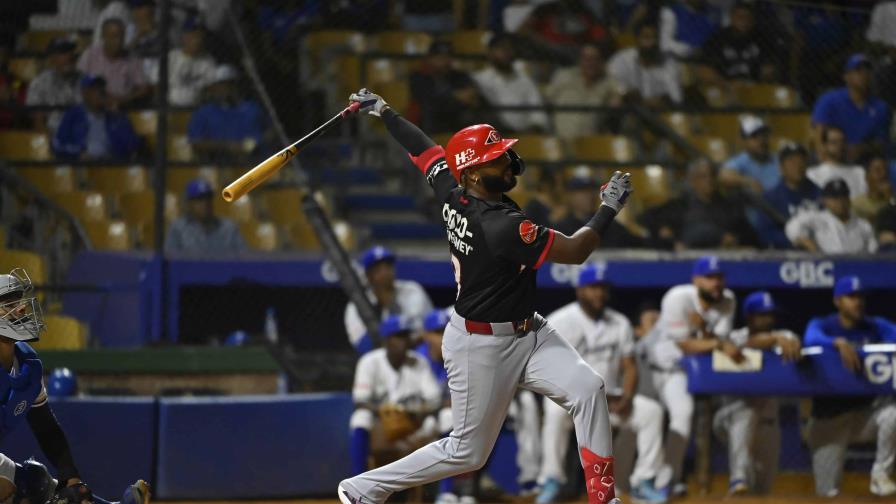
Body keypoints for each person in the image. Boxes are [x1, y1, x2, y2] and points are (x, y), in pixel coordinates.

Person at [338, 88, 632, 504]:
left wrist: (385, 112)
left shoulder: (454, 190)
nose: (506, 160)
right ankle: (362, 489)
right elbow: (577, 250)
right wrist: (607, 209)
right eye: (494, 158)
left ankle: (605, 499)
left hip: (529, 331)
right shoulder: (501, 226)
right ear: (474, 174)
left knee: (587, 387)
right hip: (481, 344)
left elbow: (425, 151)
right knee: (467, 452)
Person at [0, 269, 151, 504]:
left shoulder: (28, 365)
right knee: (12, 489)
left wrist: (72, 480)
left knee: (36, 482)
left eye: (18, 302)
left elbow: (47, 429)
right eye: (8, 303)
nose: (20, 309)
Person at [537, 264, 667, 504]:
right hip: (570, 401)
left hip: (611, 400)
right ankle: (552, 479)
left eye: (603, 288)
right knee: (553, 414)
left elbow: (630, 366)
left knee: (651, 412)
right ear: (580, 290)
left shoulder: (619, 323)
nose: (598, 293)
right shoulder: (560, 321)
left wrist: (627, 396)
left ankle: (643, 481)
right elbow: (548, 369)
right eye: (592, 288)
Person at [646, 255, 737, 498]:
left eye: (719, 278)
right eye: (709, 278)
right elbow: (687, 345)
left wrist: (706, 330)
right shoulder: (679, 297)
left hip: (682, 372)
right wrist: (714, 340)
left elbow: (716, 340)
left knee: (682, 416)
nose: (715, 283)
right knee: (638, 427)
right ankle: (629, 482)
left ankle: (667, 481)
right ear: (696, 280)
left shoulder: (728, 300)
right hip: (653, 368)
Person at [804, 276, 896, 497]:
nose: (858, 302)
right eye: (851, 297)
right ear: (837, 301)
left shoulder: (875, 326)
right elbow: (810, 337)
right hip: (829, 421)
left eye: (861, 297)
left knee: (893, 413)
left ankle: (880, 474)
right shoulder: (824, 324)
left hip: (863, 417)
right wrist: (836, 342)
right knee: (827, 494)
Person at [712, 291, 801, 496]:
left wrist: (786, 341)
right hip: (730, 418)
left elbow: (794, 342)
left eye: (770, 314)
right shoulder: (734, 336)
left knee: (761, 492)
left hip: (769, 423)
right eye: (761, 314)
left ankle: (739, 487)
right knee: (746, 412)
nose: (768, 319)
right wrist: (772, 340)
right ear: (749, 317)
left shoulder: (784, 335)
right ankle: (738, 478)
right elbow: (744, 345)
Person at [349, 315, 443, 477]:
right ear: (387, 340)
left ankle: (446, 493)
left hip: (414, 424)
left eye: (406, 336)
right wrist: (386, 412)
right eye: (399, 336)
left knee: (446, 418)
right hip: (381, 425)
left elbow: (435, 401)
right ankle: (359, 482)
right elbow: (360, 402)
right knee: (360, 418)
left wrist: (415, 414)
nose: (404, 341)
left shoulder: (418, 362)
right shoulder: (369, 362)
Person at [343, 246, 433, 354]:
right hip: (379, 360)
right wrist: (382, 308)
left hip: (417, 353)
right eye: (378, 270)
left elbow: (428, 330)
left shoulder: (412, 291)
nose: (385, 273)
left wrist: (391, 305)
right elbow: (362, 347)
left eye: (388, 266)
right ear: (368, 276)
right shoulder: (356, 306)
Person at [811, 53, 890, 163]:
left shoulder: (881, 107)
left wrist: (861, 148)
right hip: (831, 156)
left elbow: (881, 143)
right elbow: (818, 135)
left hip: (864, 160)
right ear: (846, 77)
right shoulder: (829, 100)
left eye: (867, 71)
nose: (864, 75)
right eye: (858, 71)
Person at [187, 65, 268, 163]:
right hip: (216, 162)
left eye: (229, 84)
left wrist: (249, 146)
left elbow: (267, 133)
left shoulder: (251, 108)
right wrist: (227, 146)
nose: (224, 89)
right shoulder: (204, 112)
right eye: (220, 85)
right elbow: (195, 142)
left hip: (252, 160)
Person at [471, 34, 549, 133]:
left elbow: (538, 114)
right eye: (501, 48)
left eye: (509, 49)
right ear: (490, 52)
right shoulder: (479, 80)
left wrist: (534, 129)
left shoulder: (525, 81)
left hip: (524, 138)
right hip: (490, 138)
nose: (506, 52)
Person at [409, 41, 490, 134]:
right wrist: (454, 96)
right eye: (440, 58)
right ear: (430, 59)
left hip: (455, 121)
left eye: (448, 57)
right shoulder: (419, 76)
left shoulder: (458, 76)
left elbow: (471, 92)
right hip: (426, 126)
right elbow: (427, 97)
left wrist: (469, 96)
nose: (445, 61)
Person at [544, 43, 622, 140]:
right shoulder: (563, 76)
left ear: (602, 62)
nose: (590, 63)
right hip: (559, 141)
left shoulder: (608, 82)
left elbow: (620, 96)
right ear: (580, 60)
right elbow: (545, 102)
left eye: (594, 59)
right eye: (586, 59)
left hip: (590, 145)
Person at [52, 75, 140, 160]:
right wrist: (78, 153)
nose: (99, 92)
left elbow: (132, 145)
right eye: (94, 89)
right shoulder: (73, 115)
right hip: (83, 165)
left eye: (101, 88)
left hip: (110, 165)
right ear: (84, 94)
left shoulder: (114, 117)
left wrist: (118, 118)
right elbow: (58, 145)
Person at [553, 166, 644, 248]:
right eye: (583, 191)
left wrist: (637, 230)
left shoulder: (606, 220)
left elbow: (641, 246)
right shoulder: (561, 228)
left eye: (591, 190)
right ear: (569, 196)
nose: (589, 196)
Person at [680, 158, 758, 249]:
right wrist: (719, 236)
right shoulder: (683, 206)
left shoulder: (730, 206)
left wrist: (735, 240)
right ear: (693, 181)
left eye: (712, 175)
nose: (709, 180)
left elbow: (749, 235)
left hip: (730, 257)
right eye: (703, 176)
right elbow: (687, 234)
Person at [785, 178, 877, 254]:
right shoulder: (817, 218)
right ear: (825, 200)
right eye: (834, 198)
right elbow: (792, 226)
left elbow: (874, 252)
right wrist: (804, 240)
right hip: (827, 269)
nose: (840, 202)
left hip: (856, 270)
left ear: (849, 199)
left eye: (843, 196)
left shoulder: (863, 225)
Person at [755, 142, 820, 248]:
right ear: (781, 167)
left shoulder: (820, 194)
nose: (797, 166)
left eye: (801, 160)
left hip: (821, 252)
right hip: (785, 255)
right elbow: (764, 233)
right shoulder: (770, 198)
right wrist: (795, 240)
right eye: (791, 162)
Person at [608, 19, 683, 107]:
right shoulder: (622, 59)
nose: (652, 42)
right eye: (646, 37)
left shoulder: (670, 63)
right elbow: (614, 86)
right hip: (629, 110)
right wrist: (625, 94)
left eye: (656, 38)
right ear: (637, 39)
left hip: (661, 113)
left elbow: (674, 98)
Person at [77, 17, 150, 107]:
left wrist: (124, 100)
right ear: (104, 36)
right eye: (114, 36)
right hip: (94, 105)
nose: (118, 41)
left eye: (121, 36)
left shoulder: (132, 58)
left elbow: (143, 89)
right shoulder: (90, 55)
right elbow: (79, 82)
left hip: (123, 107)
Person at [700, 2, 777, 85]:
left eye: (748, 16)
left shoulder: (763, 40)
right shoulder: (716, 39)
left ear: (753, 20)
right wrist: (727, 85)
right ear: (731, 17)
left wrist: (758, 86)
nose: (744, 19)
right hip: (723, 87)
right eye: (739, 16)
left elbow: (768, 71)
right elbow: (706, 70)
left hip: (753, 88)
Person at [164, 178, 246, 255]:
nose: (205, 203)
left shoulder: (228, 228)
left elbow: (245, 258)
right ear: (189, 203)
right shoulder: (178, 229)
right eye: (199, 199)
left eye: (208, 198)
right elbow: (171, 261)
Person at [26, 37, 82, 133]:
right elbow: (38, 121)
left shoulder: (85, 80)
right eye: (63, 53)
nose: (69, 57)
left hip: (80, 135)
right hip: (50, 134)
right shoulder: (40, 82)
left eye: (70, 51)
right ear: (52, 59)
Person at [720, 115, 779, 194]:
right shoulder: (742, 160)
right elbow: (724, 176)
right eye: (754, 136)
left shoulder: (777, 159)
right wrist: (748, 181)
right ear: (744, 141)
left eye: (763, 135)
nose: (761, 140)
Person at [168, 17, 217, 106]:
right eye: (194, 35)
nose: (198, 40)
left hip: (197, 110)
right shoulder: (171, 57)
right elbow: (157, 86)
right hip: (170, 109)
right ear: (184, 37)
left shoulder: (208, 60)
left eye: (200, 35)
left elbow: (212, 88)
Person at [807, 126, 868, 197]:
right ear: (824, 146)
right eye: (834, 142)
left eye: (842, 141)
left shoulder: (859, 172)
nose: (840, 145)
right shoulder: (812, 174)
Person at [852, 153, 893, 221]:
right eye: (878, 171)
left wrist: (890, 198)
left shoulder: (892, 200)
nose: (883, 174)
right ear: (867, 176)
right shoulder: (857, 204)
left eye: (886, 171)